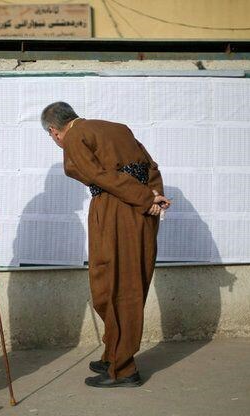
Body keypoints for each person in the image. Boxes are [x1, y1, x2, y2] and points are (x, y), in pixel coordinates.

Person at [40, 102, 170, 388]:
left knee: (115, 286)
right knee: (122, 284)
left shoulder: (75, 135)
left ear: (54, 131)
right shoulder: (118, 129)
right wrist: (153, 196)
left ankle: (123, 369)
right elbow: (151, 167)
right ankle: (113, 354)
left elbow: (100, 176)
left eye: (52, 137)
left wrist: (146, 199)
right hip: (139, 211)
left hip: (115, 210)